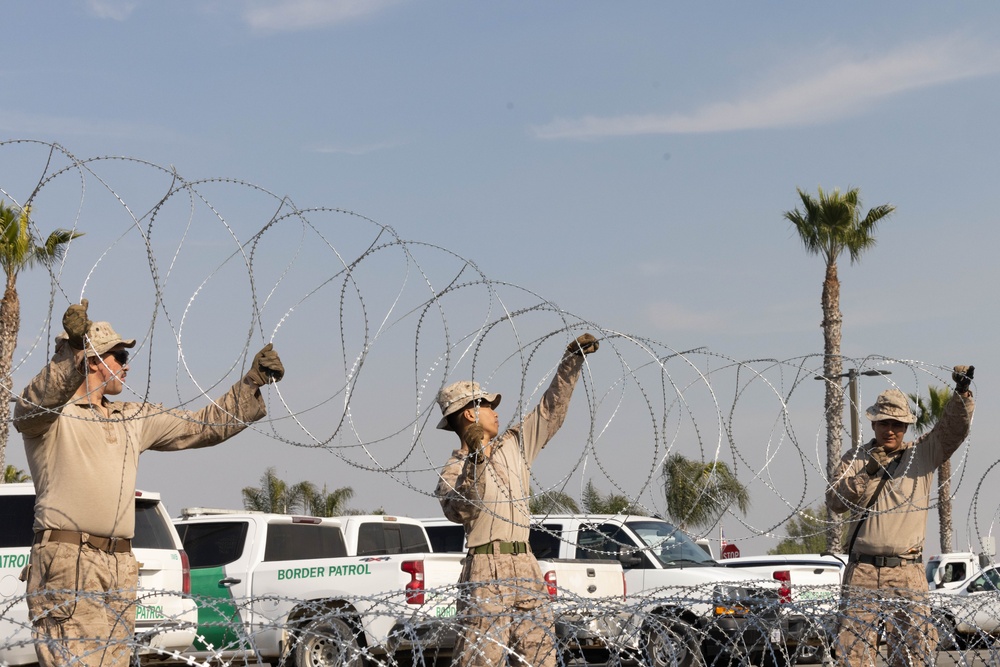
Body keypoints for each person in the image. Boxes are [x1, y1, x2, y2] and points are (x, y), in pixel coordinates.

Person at [13, 300, 285, 667]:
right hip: (67, 561)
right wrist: (73, 352)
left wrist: (251, 382)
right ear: (92, 361)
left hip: (119, 563)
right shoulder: (50, 418)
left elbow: (202, 425)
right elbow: (33, 404)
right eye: (118, 357)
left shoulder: (131, 417)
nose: (126, 365)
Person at [435, 333, 599, 667]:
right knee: (482, 661)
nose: (496, 412)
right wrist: (477, 460)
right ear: (468, 415)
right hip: (485, 567)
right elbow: (462, 509)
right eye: (488, 406)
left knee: (540, 657)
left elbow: (550, 411)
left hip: (525, 563)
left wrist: (572, 362)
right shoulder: (451, 472)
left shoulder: (515, 445)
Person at [826, 366, 975, 667]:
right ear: (874, 424)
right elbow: (835, 501)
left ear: (906, 426)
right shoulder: (855, 460)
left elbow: (953, 430)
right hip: (863, 570)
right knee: (853, 654)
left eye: (897, 424)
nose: (890, 430)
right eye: (884, 423)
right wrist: (866, 473)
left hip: (907, 571)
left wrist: (962, 394)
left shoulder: (923, 454)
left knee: (912, 654)